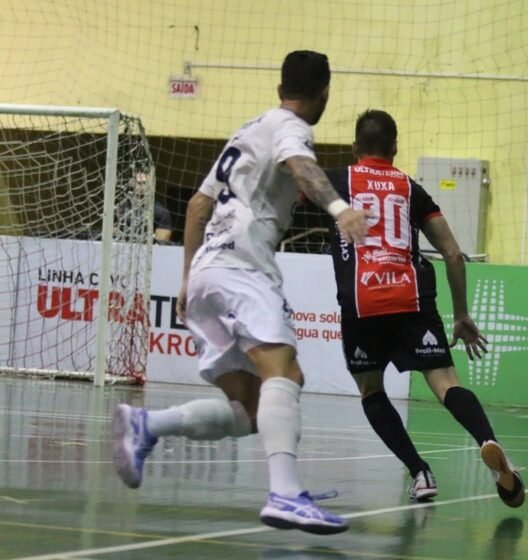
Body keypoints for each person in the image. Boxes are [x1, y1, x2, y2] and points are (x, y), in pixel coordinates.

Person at [111, 50, 369, 534]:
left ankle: (147, 426)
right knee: (285, 372)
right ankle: (286, 494)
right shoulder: (291, 128)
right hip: (244, 265)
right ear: (325, 92)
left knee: (250, 409)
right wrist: (339, 208)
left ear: (279, 88)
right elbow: (300, 167)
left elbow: (195, 206)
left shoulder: (247, 131)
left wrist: (188, 278)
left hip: (208, 271)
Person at [323, 109, 525, 508]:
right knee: (446, 383)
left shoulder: (336, 181)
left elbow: (287, 190)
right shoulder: (411, 188)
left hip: (361, 303)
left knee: (371, 391)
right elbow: (452, 253)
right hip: (411, 298)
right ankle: (488, 442)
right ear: (395, 148)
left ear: (353, 148)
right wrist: (462, 314)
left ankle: (420, 472)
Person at [115, 169, 174, 243]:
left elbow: (162, 242)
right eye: (139, 183)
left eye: (145, 183)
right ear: (132, 183)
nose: (142, 187)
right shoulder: (121, 207)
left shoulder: (161, 212)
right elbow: (112, 231)